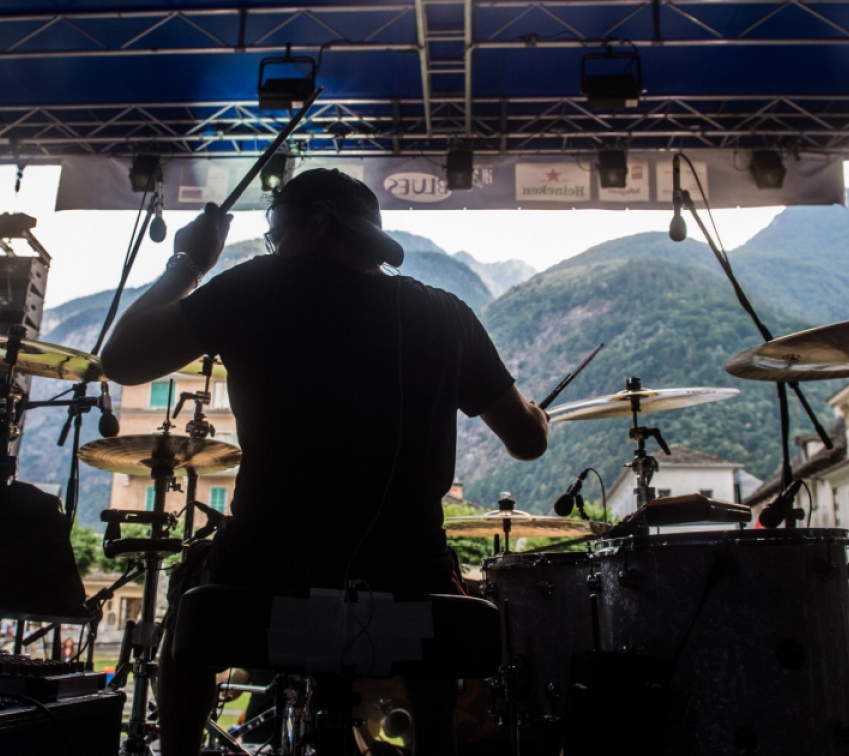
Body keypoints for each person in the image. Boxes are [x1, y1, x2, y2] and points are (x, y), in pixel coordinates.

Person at [100, 168, 550, 756]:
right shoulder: (445, 314)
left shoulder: (258, 287)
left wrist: (188, 264)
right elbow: (528, 442)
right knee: (431, 592)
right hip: (405, 586)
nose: (274, 249)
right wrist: (537, 415)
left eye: (276, 234)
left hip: (264, 578)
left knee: (190, 602)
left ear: (318, 220)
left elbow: (121, 359)